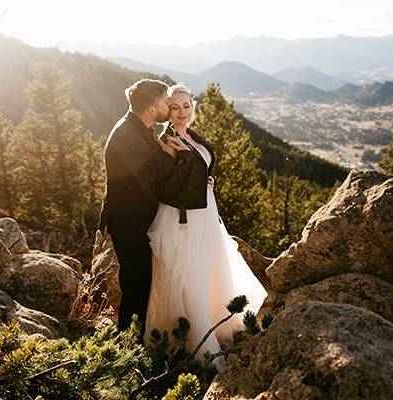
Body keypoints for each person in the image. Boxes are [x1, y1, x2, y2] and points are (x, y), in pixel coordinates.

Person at [144, 84, 268, 369]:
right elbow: (166, 187)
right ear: (167, 111)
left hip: (205, 214)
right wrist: (192, 174)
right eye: (174, 107)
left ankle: (214, 324)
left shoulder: (193, 136)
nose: (181, 112)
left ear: (193, 106)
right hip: (181, 219)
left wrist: (204, 180)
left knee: (208, 270)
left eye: (186, 106)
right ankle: (194, 346)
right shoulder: (168, 140)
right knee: (188, 275)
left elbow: (197, 169)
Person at [98, 79, 193, 342]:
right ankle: (128, 344)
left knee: (141, 281)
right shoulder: (127, 136)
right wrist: (168, 156)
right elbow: (147, 178)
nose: (169, 106)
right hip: (129, 222)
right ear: (152, 108)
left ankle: (135, 338)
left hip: (138, 218)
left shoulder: (142, 127)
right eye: (165, 102)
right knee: (135, 284)